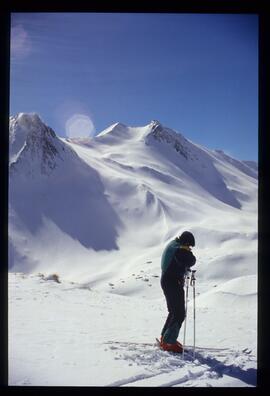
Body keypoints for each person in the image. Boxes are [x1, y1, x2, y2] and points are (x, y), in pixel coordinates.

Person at [160, 231, 196, 353]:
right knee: (179, 313)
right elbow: (191, 260)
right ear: (186, 242)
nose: (189, 248)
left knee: (173, 311)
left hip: (168, 280)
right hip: (172, 282)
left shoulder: (174, 245)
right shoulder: (178, 249)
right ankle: (168, 342)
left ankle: (165, 338)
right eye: (189, 246)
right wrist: (188, 252)